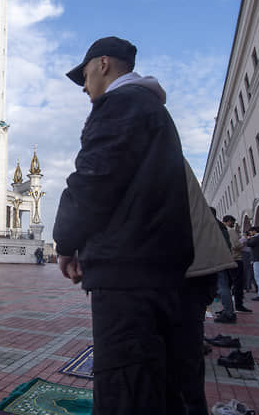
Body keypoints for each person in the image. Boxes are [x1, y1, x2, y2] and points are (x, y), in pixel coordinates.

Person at [53, 36, 194, 414]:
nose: (84, 86)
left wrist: (66, 243)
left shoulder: (119, 105)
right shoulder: (151, 109)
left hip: (127, 277)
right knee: (158, 385)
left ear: (102, 64)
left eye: (83, 76)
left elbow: (93, 179)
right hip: (156, 271)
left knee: (125, 388)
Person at [171, 166, 234, 414]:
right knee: (187, 359)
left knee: (179, 360)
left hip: (180, 274)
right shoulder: (172, 160)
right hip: (194, 276)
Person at [223, 216, 252, 313]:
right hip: (236, 259)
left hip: (227, 259)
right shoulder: (230, 231)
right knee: (238, 283)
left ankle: (227, 307)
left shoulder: (221, 231)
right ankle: (238, 305)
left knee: (228, 283)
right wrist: (243, 243)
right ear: (229, 221)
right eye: (232, 222)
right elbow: (236, 245)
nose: (233, 224)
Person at [214, 212, 237, 324]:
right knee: (224, 286)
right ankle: (228, 310)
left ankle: (229, 313)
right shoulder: (221, 226)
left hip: (216, 258)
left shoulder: (212, 225)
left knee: (222, 286)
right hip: (223, 258)